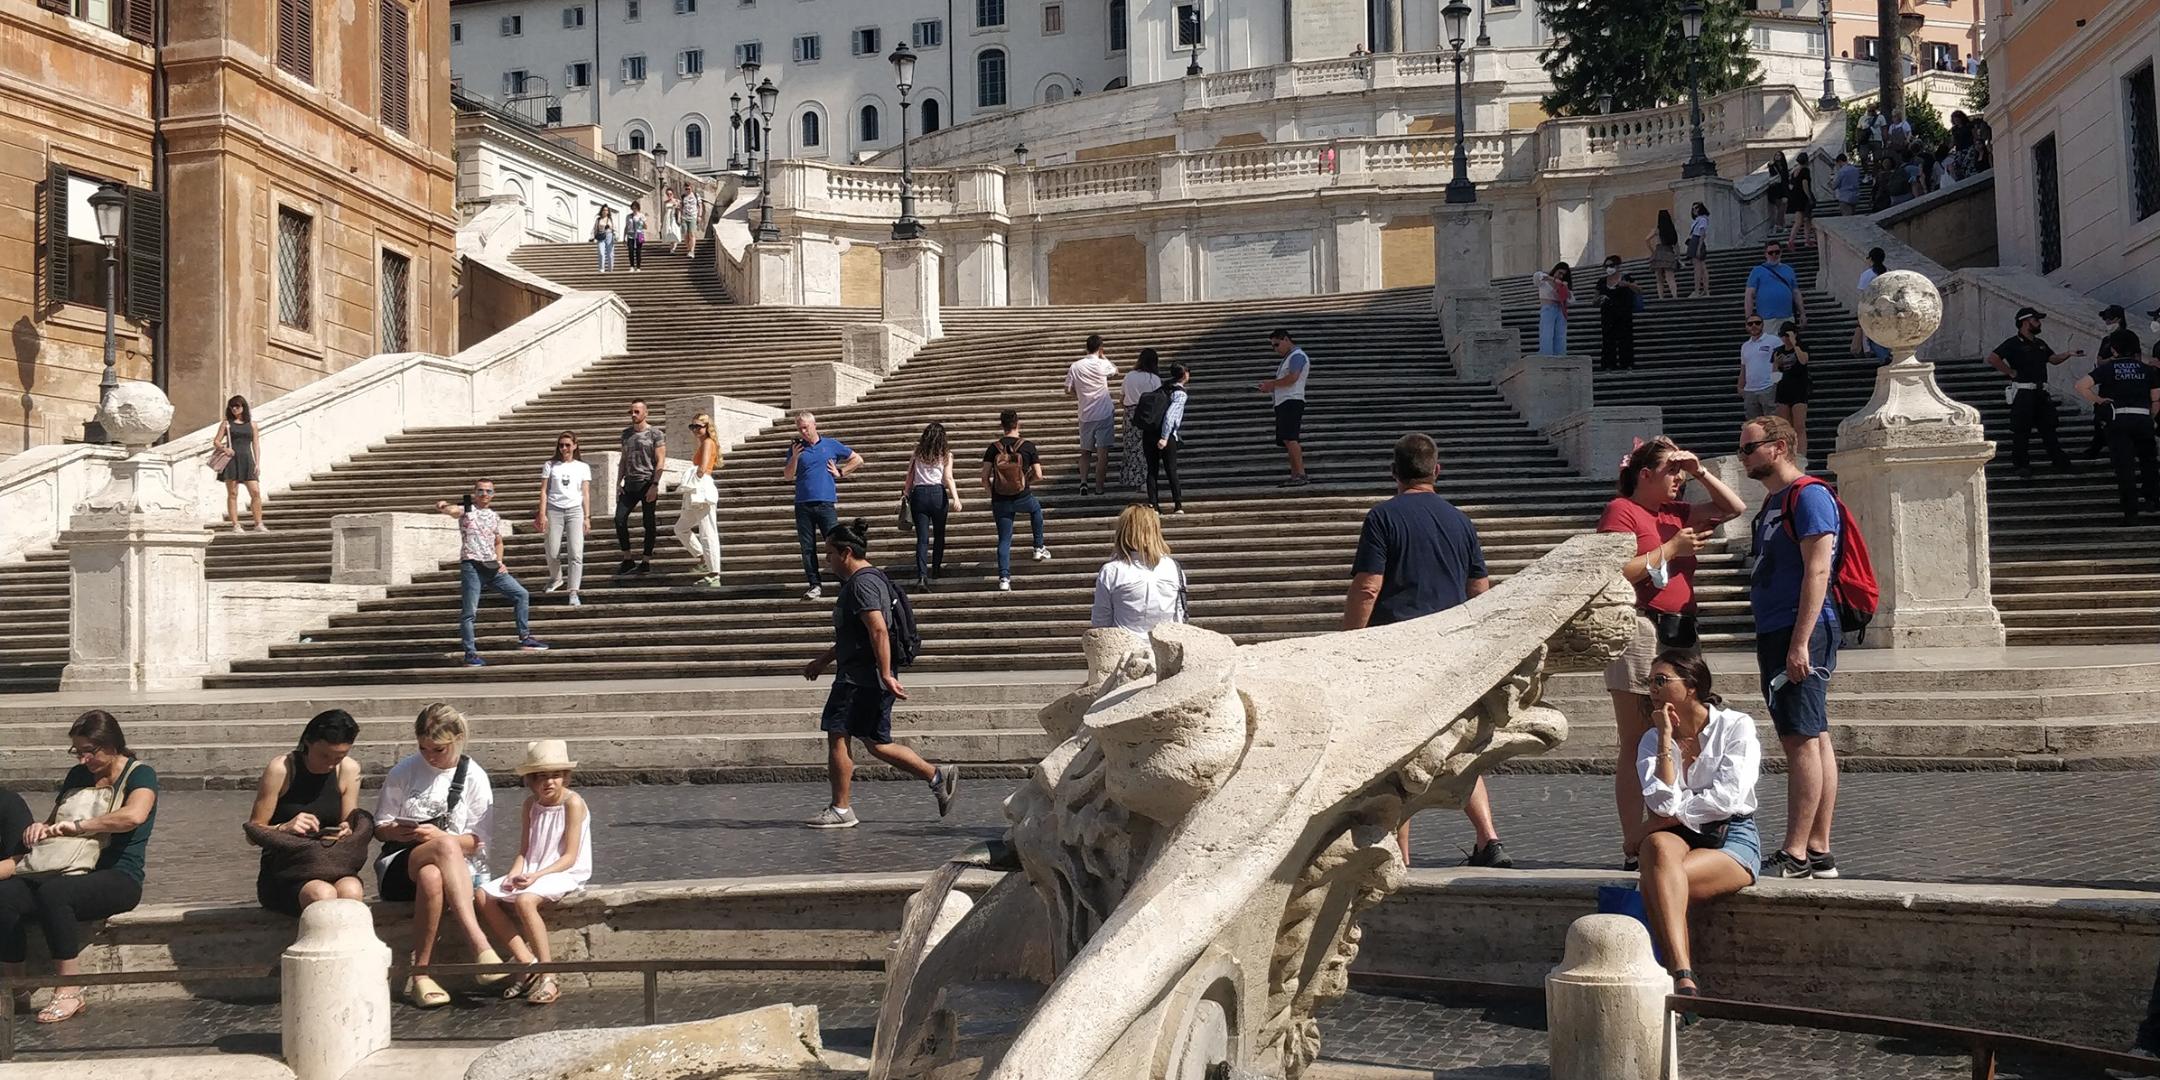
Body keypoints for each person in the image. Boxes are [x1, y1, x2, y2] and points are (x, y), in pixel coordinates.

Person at [1342, 434, 1509, 868]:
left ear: (1393, 472)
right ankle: (1488, 838)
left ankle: (1400, 855)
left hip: (1396, 649)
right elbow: (1479, 590)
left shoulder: (1383, 517)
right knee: (1458, 748)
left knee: (1395, 752)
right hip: (1451, 650)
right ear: (1437, 470)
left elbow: (1368, 586)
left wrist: (1348, 643)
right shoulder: (1461, 521)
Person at [1599, 439, 1744, 867]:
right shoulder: (1621, 511)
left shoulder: (1677, 513)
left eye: (1682, 474)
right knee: (1636, 737)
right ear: (1645, 475)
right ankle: (1634, 842)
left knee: (1681, 732)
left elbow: (1734, 508)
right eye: (1671, 472)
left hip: (1681, 630)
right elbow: (1612, 572)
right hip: (1640, 627)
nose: (1679, 480)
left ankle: (1667, 830)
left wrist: (1700, 471)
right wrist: (1669, 550)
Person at [0, 711, 158, 1025]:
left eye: (90, 751)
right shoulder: (77, 776)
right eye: (78, 751)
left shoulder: (141, 774)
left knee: (55, 894)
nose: (84, 759)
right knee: (5, 895)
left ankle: (69, 989)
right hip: (66, 865)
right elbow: (57, 819)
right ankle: (13, 989)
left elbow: (133, 816)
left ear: (112, 745)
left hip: (117, 875)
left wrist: (79, 826)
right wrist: (40, 828)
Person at [801, 520, 960, 829]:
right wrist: (822, 661)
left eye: (829, 553)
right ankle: (938, 776)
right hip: (863, 673)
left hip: (861, 678)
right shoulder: (869, 581)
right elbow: (857, 635)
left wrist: (886, 673)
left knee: (838, 734)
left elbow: (878, 630)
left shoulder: (862, 584)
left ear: (846, 553)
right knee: (877, 743)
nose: (827, 560)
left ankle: (841, 808)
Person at [1627, 651, 1761, 1002]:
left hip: (1731, 834)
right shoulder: (1651, 740)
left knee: (1659, 880)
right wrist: (1664, 739)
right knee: (1657, 850)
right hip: (1678, 838)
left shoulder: (1736, 726)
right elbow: (1661, 804)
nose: (1652, 690)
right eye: (1649, 682)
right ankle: (1683, 974)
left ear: (1691, 686)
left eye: (1661, 681)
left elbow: (1727, 799)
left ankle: (1673, 977)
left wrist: (1659, 822)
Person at [1740, 415, 1840, 880]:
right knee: (1813, 733)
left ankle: (1797, 851)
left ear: (1778, 448)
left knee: (1799, 737)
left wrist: (1800, 641)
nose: (1743, 456)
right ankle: (1818, 848)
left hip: (1799, 629)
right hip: (1780, 626)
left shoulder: (1810, 496)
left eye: (1749, 448)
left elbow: (1817, 571)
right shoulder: (1774, 502)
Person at [375, 704, 505, 1008]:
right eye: (423, 748)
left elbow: (478, 841)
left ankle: (421, 973)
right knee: (445, 847)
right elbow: (380, 827)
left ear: (457, 739)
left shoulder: (474, 776)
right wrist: (399, 831)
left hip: (447, 869)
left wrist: (441, 837)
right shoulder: (404, 771)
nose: (429, 756)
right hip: (400, 863)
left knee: (432, 875)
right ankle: (480, 945)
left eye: (438, 749)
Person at [476, 739, 592, 1007]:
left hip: (564, 871)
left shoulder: (572, 804)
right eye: (541, 777)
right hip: (534, 869)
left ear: (565, 777)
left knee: (525, 900)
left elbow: (569, 856)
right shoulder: (530, 805)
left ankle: (549, 975)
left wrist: (536, 877)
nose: (548, 782)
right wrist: (513, 874)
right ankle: (526, 961)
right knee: (483, 895)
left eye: (554, 776)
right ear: (530, 781)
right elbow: (525, 850)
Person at [245, 709, 367, 916]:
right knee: (322, 894)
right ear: (308, 743)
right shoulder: (281, 769)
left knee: (351, 890)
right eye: (324, 756)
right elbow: (252, 833)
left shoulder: (348, 769)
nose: (330, 763)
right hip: (286, 870)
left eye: (339, 757)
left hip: (330, 863)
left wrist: (346, 830)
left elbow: (348, 822)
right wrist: (284, 827)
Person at [434, 478, 549, 667]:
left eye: (488, 491)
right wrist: (444, 505)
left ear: (493, 494)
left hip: (491, 566)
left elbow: (498, 541)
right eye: (480, 491)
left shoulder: (494, 516)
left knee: (521, 594)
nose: (484, 494)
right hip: (472, 565)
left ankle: (525, 636)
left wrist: (500, 561)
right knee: (470, 611)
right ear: (474, 493)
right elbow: (452, 511)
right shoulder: (467, 509)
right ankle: (470, 654)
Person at [1985, 307, 2082, 478]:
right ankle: (2021, 465)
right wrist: (2010, 372)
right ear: (2025, 322)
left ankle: (2061, 463)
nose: (2039, 323)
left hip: (2040, 392)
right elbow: (1993, 358)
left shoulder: (2040, 343)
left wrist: (2069, 354)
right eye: (2036, 320)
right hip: (2023, 392)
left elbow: (2052, 359)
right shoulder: (2013, 343)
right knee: (2022, 431)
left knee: (2049, 429)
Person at [2075, 329, 2160, 525]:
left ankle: (2131, 512)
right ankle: (2152, 499)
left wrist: (2099, 400)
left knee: (2125, 467)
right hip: (2143, 419)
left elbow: (2081, 386)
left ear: (2114, 349)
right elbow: (2156, 399)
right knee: (2149, 462)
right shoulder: (2146, 369)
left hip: (2118, 420)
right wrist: (2151, 417)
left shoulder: (2107, 369)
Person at [784, 411, 863, 600]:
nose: (803, 431)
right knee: (807, 546)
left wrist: (841, 472)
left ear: (814, 425)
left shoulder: (830, 445)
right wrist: (794, 457)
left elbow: (858, 459)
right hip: (803, 503)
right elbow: (787, 476)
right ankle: (814, 584)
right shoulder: (796, 448)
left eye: (806, 427)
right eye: (800, 428)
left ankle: (845, 580)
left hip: (825, 502)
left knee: (837, 542)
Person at [1092, 504, 1188, 644]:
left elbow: (1101, 623)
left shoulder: (1112, 571)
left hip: (1124, 653)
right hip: (1165, 652)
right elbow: (1179, 617)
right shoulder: (1173, 568)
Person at [981, 409, 1050, 592]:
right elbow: (1039, 475)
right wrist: (1027, 482)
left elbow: (984, 477)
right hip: (1023, 496)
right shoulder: (1028, 446)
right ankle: (1038, 546)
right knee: (1035, 510)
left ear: (1002, 425)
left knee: (1004, 539)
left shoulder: (993, 448)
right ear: (1018, 423)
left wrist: (992, 493)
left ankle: (1004, 578)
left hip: (1000, 500)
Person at [905, 422, 961, 590]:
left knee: (922, 539)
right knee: (939, 534)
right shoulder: (946, 454)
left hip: (919, 495)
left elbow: (909, 475)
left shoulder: (917, 453)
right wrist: (956, 498)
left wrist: (905, 494)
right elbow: (948, 478)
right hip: (937, 494)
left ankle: (922, 575)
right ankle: (936, 568)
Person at [538, 431, 591, 607]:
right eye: (561, 445)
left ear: (575, 446)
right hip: (554, 509)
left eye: (568, 445)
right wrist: (542, 513)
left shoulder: (582, 467)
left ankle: (574, 591)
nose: (564, 448)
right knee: (552, 551)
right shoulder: (550, 465)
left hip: (575, 510)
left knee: (576, 552)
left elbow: (585, 492)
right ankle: (556, 577)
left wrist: (587, 517)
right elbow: (544, 491)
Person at [614, 400, 667, 576]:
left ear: (645, 413)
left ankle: (645, 560)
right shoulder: (626, 434)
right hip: (629, 483)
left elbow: (660, 460)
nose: (633, 415)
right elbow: (623, 459)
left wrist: (655, 484)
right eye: (631, 411)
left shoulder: (655, 434)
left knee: (648, 522)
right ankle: (627, 558)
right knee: (619, 519)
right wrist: (618, 483)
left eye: (637, 411)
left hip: (647, 483)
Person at [1066, 334, 1121, 496]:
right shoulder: (1102, 364)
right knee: (1102, 453)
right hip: (1103, 412)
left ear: (1086, 348)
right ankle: (1099, 487)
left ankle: (1083, 482)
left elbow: (1067, 389)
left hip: (1085, 413)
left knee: (1085, 451)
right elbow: (1116, 371)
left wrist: (1080, 394)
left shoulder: (1075, 366)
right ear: (1100, 348)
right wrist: (1104, 356)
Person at [674, 413, 723, 586]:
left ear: (707, 427)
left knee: (707, 530)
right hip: (696, 489)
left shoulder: (708, 443)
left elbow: (702, 469)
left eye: (698, 426)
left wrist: (690, 474)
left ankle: (714, 572)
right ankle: (703, 558)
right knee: (681, 528)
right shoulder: (703, 443)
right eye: (692, 427)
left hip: (702, 487)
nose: (695, 430)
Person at [1260, 329, 1311, 486]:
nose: (1276, 349)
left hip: (1291, 400)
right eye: (1273, 346)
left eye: (1277, 344)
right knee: (1287, 439)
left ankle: (1300, 474)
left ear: (1286, 339)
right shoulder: (1291, 357)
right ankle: (1295, 473)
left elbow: (1293, 377)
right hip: (1285, 401)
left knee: (1291, 438)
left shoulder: (1296, 356)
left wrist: (1272, 385)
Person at [2082, 305, 2132, 459]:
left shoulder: (2129, 337)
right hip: (2107, 383)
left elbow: (2134, 359)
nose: (2106, 322)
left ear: (2117, 319)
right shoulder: (2107, 340)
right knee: (2100, 416)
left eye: (2108, 319)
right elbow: (2099, 361)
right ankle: (2097, 446)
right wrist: (2111, 359)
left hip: (2123, 383)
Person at [215, 394, 267, 533]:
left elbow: (256, 444)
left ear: (243, 407)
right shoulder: (226, 424)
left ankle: (258, 523)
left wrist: (257, 463)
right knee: (232, 493)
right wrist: (225, 448)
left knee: (255, 492)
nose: (234, 409)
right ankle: (235, 524)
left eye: (237, 406)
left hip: (247, 460)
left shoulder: (252, 425)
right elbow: (216, 441)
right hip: (231, 461)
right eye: (231, 407)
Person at [1145, 364, 1192, 514]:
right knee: (1171, 469)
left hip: (1149, 432)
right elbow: (1170, 416)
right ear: (1184, 374)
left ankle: (1154, 505)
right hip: (1165, 435)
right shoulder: (1180, 393)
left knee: (1152, 470)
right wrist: (1165, 437)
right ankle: (1178, 504)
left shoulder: (1163, 387)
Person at [1119, 349, 1165, 492]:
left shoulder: (1129, 376)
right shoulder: (1154, 378)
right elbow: (1158, 399)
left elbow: (1122, 397)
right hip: (1148, 414)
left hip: (1130, 414)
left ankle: (1131, 477)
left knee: (1131, 447)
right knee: (1146, 448)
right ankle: (1145, 479)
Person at [1773, 321, 1814, 466]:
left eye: (1787, 334)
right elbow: (1774, 377)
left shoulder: (1802, 347)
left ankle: (1801, 456)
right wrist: (1776, 365)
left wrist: (1795, 343)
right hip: (1783, 389)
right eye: (1783, 335)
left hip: (1799, 388)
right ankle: (1788, 454)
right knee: (1784, 426)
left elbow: (1803, 361)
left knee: (1799, 425)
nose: (1785, 338)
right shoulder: (1778, 351)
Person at [1743, 242, 1804, 329]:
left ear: (1781, 253)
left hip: (1787, 317)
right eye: (1770, 252)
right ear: (1765, 254)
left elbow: (1796, 293)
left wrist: (1802, 313)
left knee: (1789, 342)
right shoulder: (1757, 271)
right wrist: (1749, 318)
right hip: (1767, 320)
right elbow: (1749, 295)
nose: (1774, 255)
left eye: (1777, 252)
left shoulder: (1789, 270)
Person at [1595, 256, 1640, 372]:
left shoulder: (1627, 278)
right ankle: (1608, 364)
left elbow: (1639, 290)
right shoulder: (1601, 282)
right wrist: (1600, 299)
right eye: (1606, 266)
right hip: (1607, 314)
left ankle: (1627, 363)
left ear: (1618, 266)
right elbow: (1594, 300)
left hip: (1624, 313)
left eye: (1611, 266)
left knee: (1626, 338)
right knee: (1608, 339)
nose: (1608, 268)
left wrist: (1628, 285)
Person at [1852, 248, 1893, 363]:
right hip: (1886, 309)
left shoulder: (1867, 274)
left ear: (1870, 259)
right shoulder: (1887, 274)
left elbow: (1862, 295)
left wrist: (1859, 312)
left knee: (1872, 337)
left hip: (1870, 309)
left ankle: (1884, 357)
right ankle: (1886, 354)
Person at [1738, 315, 1780, 421]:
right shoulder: (1745, 346)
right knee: (1753, 424)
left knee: (1772, 421)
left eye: (1757, 323)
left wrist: (1776, 383)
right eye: (1750, 324)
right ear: (1746, 327)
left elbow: (1780, 363)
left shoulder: (1773, 340)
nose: (1754, 326)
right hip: (1750, 390)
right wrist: (1740, 386)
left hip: (1768, 387)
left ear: (1762, 324)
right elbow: (1744, 367)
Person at [1533, 262, 1572, 355]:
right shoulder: (1544, 281)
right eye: (1560, 273)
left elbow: (1570, 300)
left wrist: (1565, 288)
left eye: (1563, 275)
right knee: (1547, 333)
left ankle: (1560, 356)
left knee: (1560, 335)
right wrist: (1554, 279)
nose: (1561, 276)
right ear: (1555, 270)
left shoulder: (1563, 285)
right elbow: (1537, 276)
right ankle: (1546, 356)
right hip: (1548, 308)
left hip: (1560, 309)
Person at [1646, 210, 1681, 300]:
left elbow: (1647, 239)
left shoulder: (1657, 229)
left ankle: (1661, 297)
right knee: (1670, 277)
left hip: (1659, 252)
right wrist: (1678, 257)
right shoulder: (1672, 230)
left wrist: (1652, 251)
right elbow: (1676, 245)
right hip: (1669, 252)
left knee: (1659, 278)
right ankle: (1675, 296)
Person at [1786, 161, 1815, 248]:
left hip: (1796, 198)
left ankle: (1793, 240)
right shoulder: (1805, 170)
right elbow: (1805, 184)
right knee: (1807, 219)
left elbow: (1791, 185)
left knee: (1799, 221)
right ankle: (1805, 240)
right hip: (1804, 198)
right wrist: (1809, 196)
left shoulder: (1794, 171)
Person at [1686, 203, 1711, 298]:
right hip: (1694, 240)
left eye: (1696, 208)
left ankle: (1698, 291)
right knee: (1702, 268)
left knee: (1698, 269)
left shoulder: (1703, 220)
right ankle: (1705, 290)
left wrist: (1699, 247)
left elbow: (1702, 234)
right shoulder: (1698, 220)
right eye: (1693, 209)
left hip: (1696, 241)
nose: (1694, 210)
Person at [1766, 151, 1790, 233]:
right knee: (1781, 209)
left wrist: (1786, 194)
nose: (1777, 156)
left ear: (1782, 156)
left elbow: (1785, 180)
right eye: (1775, 155)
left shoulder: (1784, 167)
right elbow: (1772, 174)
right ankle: (1778, 225)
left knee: (1782, 209)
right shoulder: (1773, 166)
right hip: (1775, 190)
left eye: (1779, 155)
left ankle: (1781, 226)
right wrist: (1771, 165)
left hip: (1782, 190)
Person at [1833, 153, 1861, 218]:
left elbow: (1834, 186)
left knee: (1847, 218)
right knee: (1853, 216)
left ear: (1840, 161)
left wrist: (1830, 183)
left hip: (1844, 197)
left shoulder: (1841, 171)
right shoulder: (1855, 170)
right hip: (1855, 196)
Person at [623, 200, 647, 272]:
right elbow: (626, 227)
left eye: (635, 208)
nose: (634, 209)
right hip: (630, 235)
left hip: (639, 234)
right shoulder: (629, 216)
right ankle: (632, 266)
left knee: (638, 251)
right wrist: (624, 237)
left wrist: (642, 221)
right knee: (630, 251)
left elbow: (645, 227)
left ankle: (638, 267)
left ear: (638, 208)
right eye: (633, 208)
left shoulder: (641, 215)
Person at [592, 206, 616, 273]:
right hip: (601, 236)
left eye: (606, 210)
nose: (605, 211)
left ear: (608, 212)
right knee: (601, 252)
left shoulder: (610, 219)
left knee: (610, 253)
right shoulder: (598, 219)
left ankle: (610, 269)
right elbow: (595, 228)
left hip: (609, 235)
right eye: (604, 210)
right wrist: (594, 237)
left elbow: (614, 229)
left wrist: (610, 227)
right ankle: (601, 269)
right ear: (601, 211)